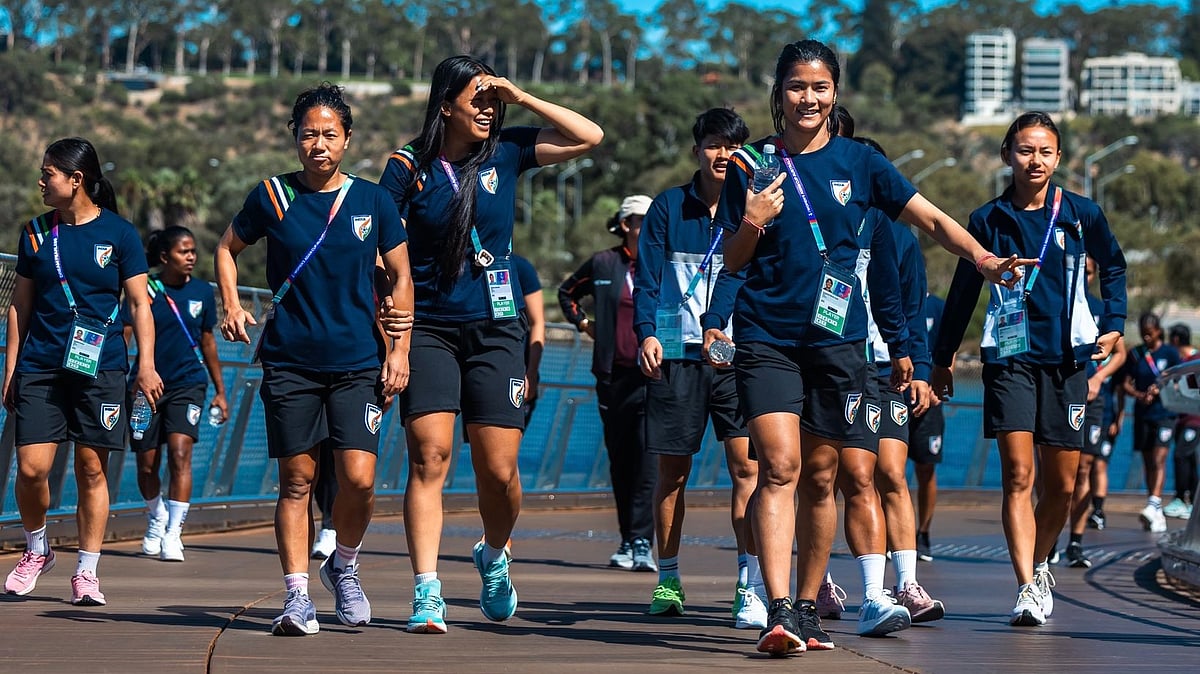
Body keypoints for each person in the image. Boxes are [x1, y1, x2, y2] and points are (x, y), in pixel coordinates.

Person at [716, 39, 1025, 656]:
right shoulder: (750, 165)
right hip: (767, 336)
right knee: (779, 465)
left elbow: (931, 220)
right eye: (797, 86)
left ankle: (807, 609)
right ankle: (777, 609)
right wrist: (753, 219)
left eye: (820, 87)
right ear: (779, 93)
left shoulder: (861, 163)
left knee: (824, 475)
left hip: (839, 341)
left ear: (836, 94)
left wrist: (984, 259)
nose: (809, 98)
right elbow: (731, 261)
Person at [379, 55, 602, 634]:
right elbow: (382, 249)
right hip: (427, 326)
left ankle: (494, 553)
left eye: (490, 99)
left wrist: (520, 96)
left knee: (499, 470)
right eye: (475, 98)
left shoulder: (507, 149)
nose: (486, 108)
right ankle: (427, 590)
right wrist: (391, 333)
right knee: (429, 457)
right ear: (444, 103)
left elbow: (590, 137)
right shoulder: (409, 167)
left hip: (496, 329)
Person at [215, 83, 414, 636]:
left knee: (359, 479)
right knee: (296, 481)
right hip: (291, 362)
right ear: (295, 139)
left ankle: (343, 567)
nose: (318, 144)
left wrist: (400, 349)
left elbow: (401, 276)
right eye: (309, 134)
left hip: (358, 362)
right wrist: (231, 303)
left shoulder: (373, 201)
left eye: (329, 134)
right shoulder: (272, 196)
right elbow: (226, 249)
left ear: (347, 139)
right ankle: (296, 597)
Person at [933, 111, 1127, 628]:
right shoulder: (987, 220)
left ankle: (1041, 563)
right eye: (1024, 149)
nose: (1034, 159)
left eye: (1044, 151)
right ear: (1007, 155)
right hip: (1009, 359)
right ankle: (1025, 586)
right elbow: (962, 293)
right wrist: (943, 357)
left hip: (1068, 363)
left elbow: (1114, 265)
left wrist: (1115, 320)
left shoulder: (1082, 214)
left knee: (1061, 487)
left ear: (1058, 158)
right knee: (1018, 475)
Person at [3, 137, 164, 605]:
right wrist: (11, 368)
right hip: (40, 366)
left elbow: (139, 304)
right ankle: (37, 549)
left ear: (76, 181)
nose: (40, 180)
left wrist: (146, 366)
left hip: (103, 367)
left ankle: (87, 572)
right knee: (32, 470)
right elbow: (19, 307)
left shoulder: (120, 234)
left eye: (48, 172)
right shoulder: (35, 233)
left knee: (91, 468)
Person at [634, 108, 764, 629]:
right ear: (697, 151)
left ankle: (749, 585)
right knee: (672, 475)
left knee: (749, 470)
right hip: (677, 356)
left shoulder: (753, 210)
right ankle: (667, 577)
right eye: (713, 145)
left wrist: (723, 327)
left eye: (732, 146)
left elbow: (749, 275)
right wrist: (646, 332)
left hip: (735, 358)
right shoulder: (668, 208)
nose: (722, 155)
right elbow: (646, 276)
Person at [811, 129, 920, 637]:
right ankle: (811, 588)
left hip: (870, 363)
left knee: (872, 473)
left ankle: (887, 591)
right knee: (813, 476)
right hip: (805, 354)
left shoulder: (892, 230)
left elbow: (901, 300)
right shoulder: (806, 199)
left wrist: (908, 354)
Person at [559, 195, 657, 573]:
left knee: (648, 458)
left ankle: (643, 541)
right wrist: (584, 324)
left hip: (651, 376)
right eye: (635, 220)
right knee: (621, 461)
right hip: (612, 376)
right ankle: (627, 539)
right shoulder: (603, 263)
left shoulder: (660, 264)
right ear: (624, 224)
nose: (642, 227)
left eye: (648, 220)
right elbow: (567, 293)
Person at [125, 226, 227, 563]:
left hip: (188, 383)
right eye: (184, 252)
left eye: (194, 251)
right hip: (146, 386)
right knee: (146, 464)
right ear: (165, 257)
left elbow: (209, 341)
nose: (192, 257)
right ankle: (157, 516)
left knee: (181, 454)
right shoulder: (145, 289)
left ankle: (173, 533)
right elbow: (127, 332)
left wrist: (220, 391)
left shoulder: (201, 291)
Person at [1063, 257, 1127, 569]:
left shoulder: (1100, 308)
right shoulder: (1056, 301)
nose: (1083, 276)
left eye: (1089, 272)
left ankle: (1075, 540)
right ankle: (1045, 541)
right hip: (1058, 394)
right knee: (1051, 473)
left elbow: (1120, 353)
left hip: (1091, 398)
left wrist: (1098, 378)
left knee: (1084, 469)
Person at [1123, 312, 1181, 533]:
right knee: (1147, 460)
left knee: (1159, 457)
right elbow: (1126, 383)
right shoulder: (1136, 354)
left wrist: (1160, 389)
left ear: (1157, 331)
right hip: (1143, 413)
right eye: (1142, 334)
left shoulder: (1170, 353)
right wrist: (1139, 394)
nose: (1146, 338)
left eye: (1149, 334)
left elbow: (1179, 381)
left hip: (1164, 413)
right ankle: (1153, 505)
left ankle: (1154, 502)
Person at [909, 291, 946, 562]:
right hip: (897, 394)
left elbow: (949, 348)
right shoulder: (891, 300)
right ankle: (893, 536)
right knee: (889, 469)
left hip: (930, 401)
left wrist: (938, 386)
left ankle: (923, 532)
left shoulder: (937, 306)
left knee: (925, 468)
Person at [1167, 323, 1198, 520]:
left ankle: (1182, 498)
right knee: (1189, 459)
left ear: (1176, 340)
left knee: (1182, 456)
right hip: (1182, 418)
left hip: (1195, 419)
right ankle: (1193, 503)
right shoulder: (1182, 361)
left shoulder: (1195, 362)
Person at [513, 253, 545, 427]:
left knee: (503, 448)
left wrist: (531, 373)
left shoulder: (520, 267)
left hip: (517, 371)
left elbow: (537, 322)